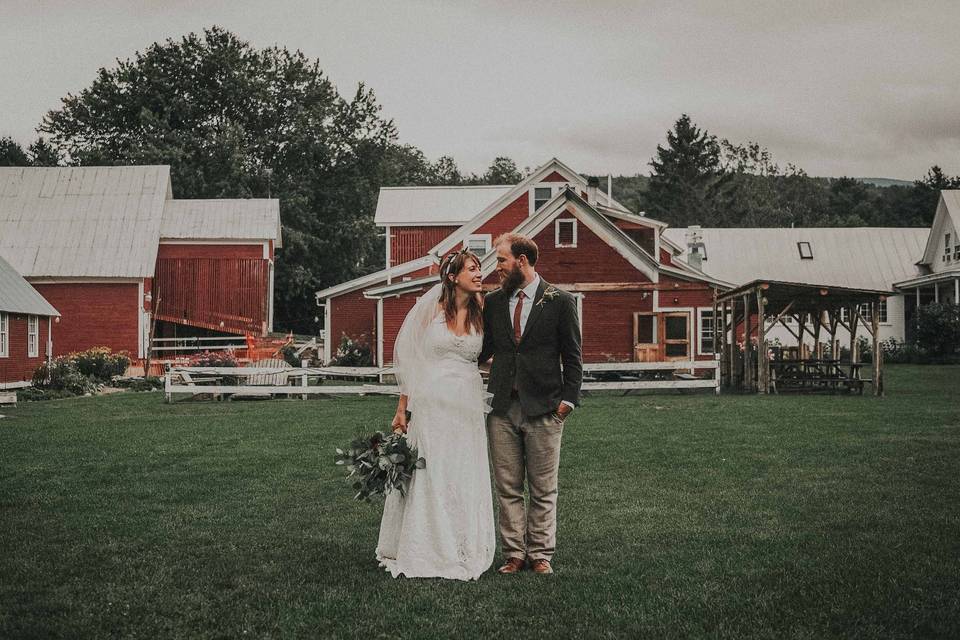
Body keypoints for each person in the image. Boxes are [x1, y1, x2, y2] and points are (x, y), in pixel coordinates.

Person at [375, 249, 495, 580]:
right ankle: (424, 544)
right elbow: (412, 359)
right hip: (431, 402)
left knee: (461, 469)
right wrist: (403, 408)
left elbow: (481, 358)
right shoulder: (432, 310)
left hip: (466, 403)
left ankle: (461, 543)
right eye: (472, 269)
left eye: (479, 268)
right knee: (432, 468)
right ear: (453, 277)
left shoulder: (480, 310)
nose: (478, 273)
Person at [479, 233, 582, 575]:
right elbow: (484, 351)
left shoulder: (560, 301)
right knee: (507, 486)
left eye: (502, 260)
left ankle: (540, 554)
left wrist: (567, 402)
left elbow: (573, 357)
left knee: (543, 487)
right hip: (502, 409)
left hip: (545, 408)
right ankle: (514, 554)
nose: (497, 267)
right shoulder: (493, 302)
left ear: (521, 261)